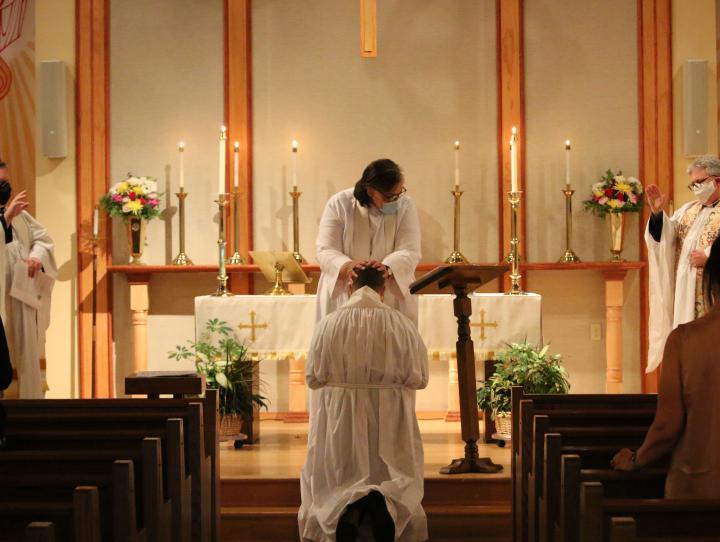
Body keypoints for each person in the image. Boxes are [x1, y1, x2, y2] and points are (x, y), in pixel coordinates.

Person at [299, 266, 429, 542]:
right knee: (391, 471)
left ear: (349, 287)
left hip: (340, 414)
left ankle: (344, 510)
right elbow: (420, 378)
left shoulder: (329, 324)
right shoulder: (401, 324)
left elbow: (312, 377)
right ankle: (387, 507)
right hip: (391, 412)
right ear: (383, 290)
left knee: (341, 475)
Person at [612, 235, 720, 498]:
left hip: (700, 489)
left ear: (712, 278)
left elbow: (667, 426)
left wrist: (637, 460)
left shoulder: (686, 339)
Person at [315, 158, 421, 324]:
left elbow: (410, 249)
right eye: (390, 196)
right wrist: (349, 267)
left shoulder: (405, 205)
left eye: (400, 193)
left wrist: (387, 268)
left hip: (388, 294)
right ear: (371, 191)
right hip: (346, 292)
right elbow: (325, 250)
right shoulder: (339, 204)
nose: (396, 200)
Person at [644, 155, 720, 373]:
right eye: (693, 184)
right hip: (684, 296)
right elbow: (664, 241)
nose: (696, 188)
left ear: (717, 180)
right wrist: (658, 215)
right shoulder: (688, 211)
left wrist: (710, 260)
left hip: (711, 295)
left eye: (700, 182)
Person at [0, 160, 56, 398]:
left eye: (6, 181)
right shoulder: (12, 215)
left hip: (22, 294)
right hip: (1, 297)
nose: (5, 186)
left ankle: (29, 404)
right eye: (0, 182)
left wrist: (35, 257)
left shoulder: (21, 215)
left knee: (26, 349)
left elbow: (43, 239)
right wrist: (6, 220)